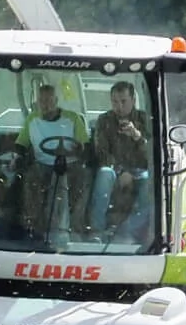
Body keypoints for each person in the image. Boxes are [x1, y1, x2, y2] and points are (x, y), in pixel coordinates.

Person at [14, 83, 90, 240]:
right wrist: (16, 158)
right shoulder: (32, 119)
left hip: (70, 163)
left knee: (83, 178)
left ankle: (76, 226)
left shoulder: (72, 118)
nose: (45, 105)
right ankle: (33, 227)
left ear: (56, 101)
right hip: (42, 162)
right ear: (37, 102)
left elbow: (85, 145)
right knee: (30, 179)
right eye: (42, 101)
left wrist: (77, 152)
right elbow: (21, 144)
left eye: (49, 101)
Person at [88, 80, 153, 242]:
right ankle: (97, 230)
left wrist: (137, 136)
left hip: (140, 170)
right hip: (113, 169)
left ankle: (127, 231)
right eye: (115, 102)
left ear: (133, 100)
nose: (119, 106)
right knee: (104, 174)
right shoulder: (104, 120)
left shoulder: (145, 119)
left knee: (148, 180)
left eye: (123, 101)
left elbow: (153, 154)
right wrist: (120, 171)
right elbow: (101, 152)